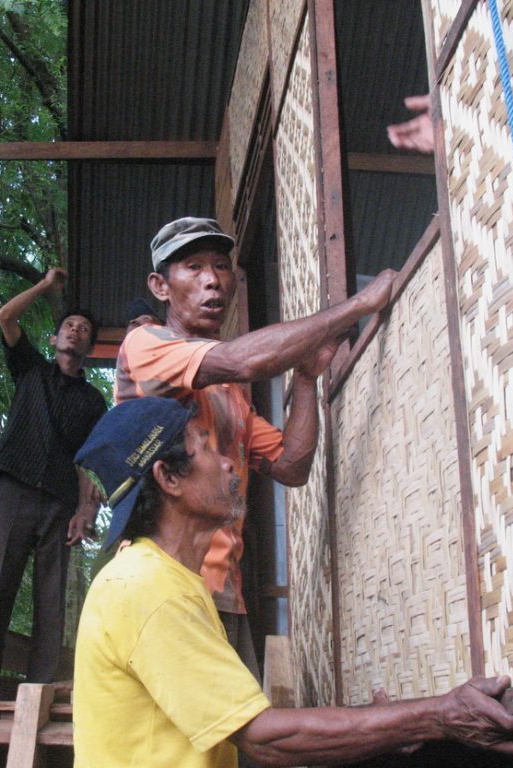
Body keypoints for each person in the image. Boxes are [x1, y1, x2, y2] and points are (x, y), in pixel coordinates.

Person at [73, 398, 513, 767]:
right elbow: (264, 739)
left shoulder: (162, 580)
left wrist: (378, 726)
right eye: (207, 448)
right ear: (169, 478)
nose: (229, 463)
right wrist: (437, 717)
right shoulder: (148, 588)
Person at [115, 216, 397, 675]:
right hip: (164, 583)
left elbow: (292, 466)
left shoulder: (229, 394)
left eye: (222, 267)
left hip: (225, 591)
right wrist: (359, 305)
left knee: (232, 745)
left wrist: (306, 377)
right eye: (193, 266)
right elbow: (241, 359)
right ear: (160, 286)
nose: (213, 280)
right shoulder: (145, 344)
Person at [0, 267, 106, 699]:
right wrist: (45, 288)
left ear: (89, 346)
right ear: (55, 338)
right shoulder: (30, 369)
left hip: (60, 504)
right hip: (15, 491)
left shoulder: (93, 401)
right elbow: (6, 317)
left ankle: (39, 691)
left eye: (83, 329)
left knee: (50, 600)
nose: (75, 331)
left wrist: (86, 510)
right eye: (69, 326)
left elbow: (89, 463)